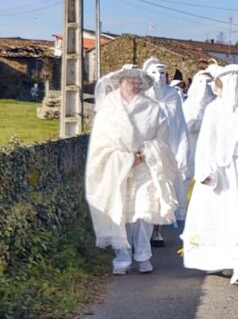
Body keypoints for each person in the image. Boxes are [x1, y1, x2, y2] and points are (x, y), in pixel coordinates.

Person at [85, 67, 179, 275]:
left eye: (139, 82)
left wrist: (146, 153)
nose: (135, 85)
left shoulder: (152, 108)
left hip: (146, 165)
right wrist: (125, 158)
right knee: (121, 212)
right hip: (116, 168)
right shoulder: (108, 110)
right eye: (131, 81)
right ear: (121, 82)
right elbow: (100, 144)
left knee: (144, 211)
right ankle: (123, 256)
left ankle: (144, 254)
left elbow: (162, 138)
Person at [180, 64, 238, 286]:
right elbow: (206, 142)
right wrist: (205, 171)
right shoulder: (214, 109)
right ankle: (227, 259)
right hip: (221, 172)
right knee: (222, 216)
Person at [143, 57, 189, 241]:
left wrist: (182, 151)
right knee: (150, 191)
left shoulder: (173, 95)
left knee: (164, 189)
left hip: (169, 149)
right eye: (155, 72)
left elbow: (179, 123)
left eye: (162, 72)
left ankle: (158, 230)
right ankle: (145, 232)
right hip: (148, 149)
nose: (159, 76)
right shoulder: (142, 95)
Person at [181, 68, 216, 179]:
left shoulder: (217, 102)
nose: (205, 86)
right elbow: (187, 125)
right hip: (194, 145)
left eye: (208, 82)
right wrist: (206, 123)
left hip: (213, 145)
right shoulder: (189, 104)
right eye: (202, 82)